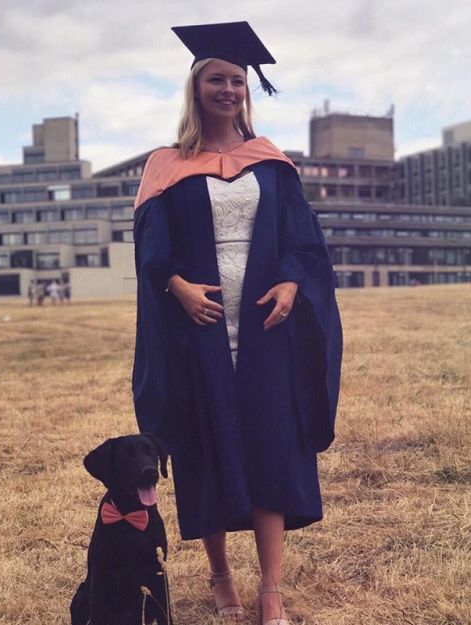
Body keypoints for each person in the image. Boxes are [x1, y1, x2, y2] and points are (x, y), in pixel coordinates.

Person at [132, 21, 343, 625]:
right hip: (198, 326)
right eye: (216, 80)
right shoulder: (167, 165)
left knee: (270, 445)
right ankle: (220, 574)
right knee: (205, 448)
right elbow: (152, 250)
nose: (228, 89)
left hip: (263, 326)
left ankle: (270, 590)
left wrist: (291, 282)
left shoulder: (271, 162)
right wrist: (176, 287)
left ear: (247, 91)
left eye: (237, 81)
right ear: (197, 89)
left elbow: (304, 241)